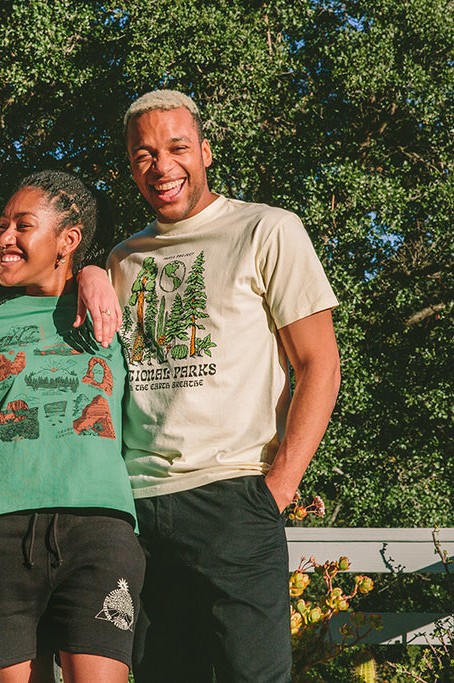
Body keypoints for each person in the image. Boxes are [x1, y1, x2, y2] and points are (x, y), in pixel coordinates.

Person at [108, 89, 341, 682]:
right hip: (137, 508)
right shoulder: (122, 258)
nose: (162, 167)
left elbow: (319, 364)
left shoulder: (267, 230)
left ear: (206, 152)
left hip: (234, 498)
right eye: (144, 155)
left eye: (177, 147)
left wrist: (277, 488)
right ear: (130, 167)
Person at [0, 171, 144, 683]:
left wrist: (95, 273)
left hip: (99, 527)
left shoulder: (113, 310)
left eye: (23, 226)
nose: (4, 238)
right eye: (3, 225)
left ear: (68, 240)